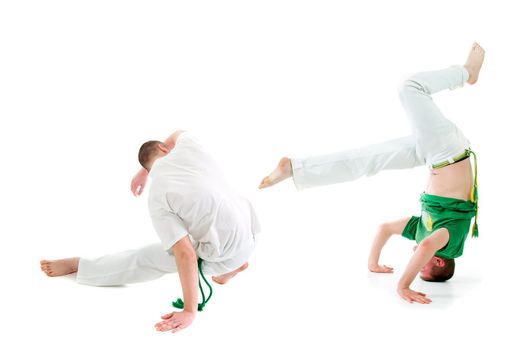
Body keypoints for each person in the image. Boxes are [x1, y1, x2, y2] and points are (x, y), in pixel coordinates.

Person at [259, 43, 485, 304]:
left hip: (432, 158)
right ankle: (467, 73)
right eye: (422, 267)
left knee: (365, 161)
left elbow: (385, 228)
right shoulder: (448, 242)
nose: (414, 260)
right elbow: (424, 248)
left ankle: (296, 169)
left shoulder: (421, 232)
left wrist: (373, 263)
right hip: (449, 150)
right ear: (437, 260)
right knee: (409, 87)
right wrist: (403, 286)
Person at [41, 130, 260, 332]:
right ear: (165, 149)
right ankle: (233, 268)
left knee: (145, 258)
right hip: (251, 232)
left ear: (149, 166)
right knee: (207, 215)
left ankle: (81, 266)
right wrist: (144, 171)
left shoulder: (158, 196)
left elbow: (186, 254)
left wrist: (189, 310)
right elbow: (176, 134)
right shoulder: (190, 147)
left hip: (226, 253)